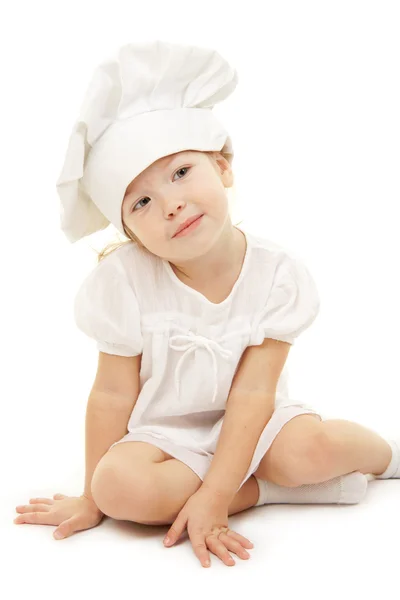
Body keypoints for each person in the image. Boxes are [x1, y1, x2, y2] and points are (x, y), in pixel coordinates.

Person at [14, 40, 399, 569]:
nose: (171, 204)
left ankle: (387, 455)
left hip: (257, 420)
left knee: (307, 453)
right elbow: (110, 395)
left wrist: (217, 495)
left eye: (180, 172)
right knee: (118, 488)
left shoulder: (276, 274)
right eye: (142, 202)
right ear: (132, 233)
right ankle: (271, 493)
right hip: (166, 435)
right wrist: (90, 496)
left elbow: (253, 393)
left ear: (222, 166)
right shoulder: (123, 283)